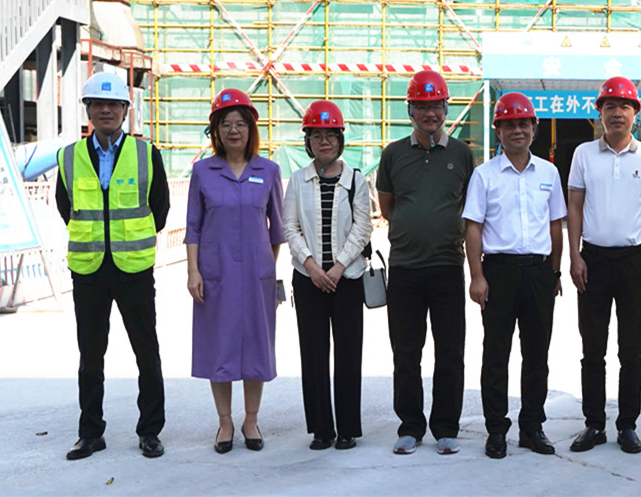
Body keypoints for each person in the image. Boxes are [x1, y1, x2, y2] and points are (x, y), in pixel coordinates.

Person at [56, 71, 170, 461]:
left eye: (114, 104)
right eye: (98, 104)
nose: (106, 110)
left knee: (146, 352)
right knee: (90, 356)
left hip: (134, 268)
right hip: (89, 270)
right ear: (88, 110)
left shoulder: (146, 154)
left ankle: (150, 431)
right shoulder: (69, 157)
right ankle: (90, 433)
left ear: (126, 110)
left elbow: (159, 209)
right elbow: (66, 206)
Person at [566, 77, 641, 455]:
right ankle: (594, 424)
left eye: (625, 106)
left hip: (633, 262)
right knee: (592, 349)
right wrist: (574, 256)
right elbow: (575, 206)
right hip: (592, 260)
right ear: (600, 113)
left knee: (631, 350)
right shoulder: (583, 154)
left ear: (635, 113)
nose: (617, 113)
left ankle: (627, 425)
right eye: (610, 106)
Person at [377, 70, 475, 456]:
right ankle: (411, 426)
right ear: (410, 110)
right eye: (422, 106)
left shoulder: (462, 154)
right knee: (406, 352)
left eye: (436, 105)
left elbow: (470, 209)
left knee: (450, 352)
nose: (430, 113)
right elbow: (388, 207)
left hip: (448, 266)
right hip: (405, 268)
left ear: (446, 108)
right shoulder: (394, 154)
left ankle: (446, 427)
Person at [464, 92, 566, 459]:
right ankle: (496, 429)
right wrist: (477, 276)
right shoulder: (484, 175)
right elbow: (473, 227)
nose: (517, 131)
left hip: (539, 272)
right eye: (509, 125)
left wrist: (555, 271)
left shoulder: (549, 173)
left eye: (524, 124)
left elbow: (555, 226)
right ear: (498, 130)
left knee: (537, 354)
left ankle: (532, 427)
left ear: (534, 128)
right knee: (496, 354)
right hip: (499, 273)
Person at [185, 89, 285, 453]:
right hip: (216, 274)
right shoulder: (203, 171)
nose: (233, 130)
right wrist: (193, 271)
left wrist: (266, 266)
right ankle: (225, 422)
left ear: (251, 129)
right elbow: (193, 226)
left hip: (257, 275)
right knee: (219, 346)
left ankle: (251, 420)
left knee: (256, 346)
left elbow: (277, 230)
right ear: (216, 130)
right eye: (225, 124)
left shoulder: (268, 171)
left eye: (240, 123)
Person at [283, 100, 373, 451]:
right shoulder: (297, 180)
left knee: (348, 355)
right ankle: (321, 429)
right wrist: (311, 267)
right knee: (313, 355)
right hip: (308, 281)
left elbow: (362, 227)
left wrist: (337, 267)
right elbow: (290, 228)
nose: (324, 141)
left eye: (331, 135)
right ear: (307, 141)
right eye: (317, 135)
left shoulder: (355, 180)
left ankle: (347, 428)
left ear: (340, 140)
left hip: (346, 280)